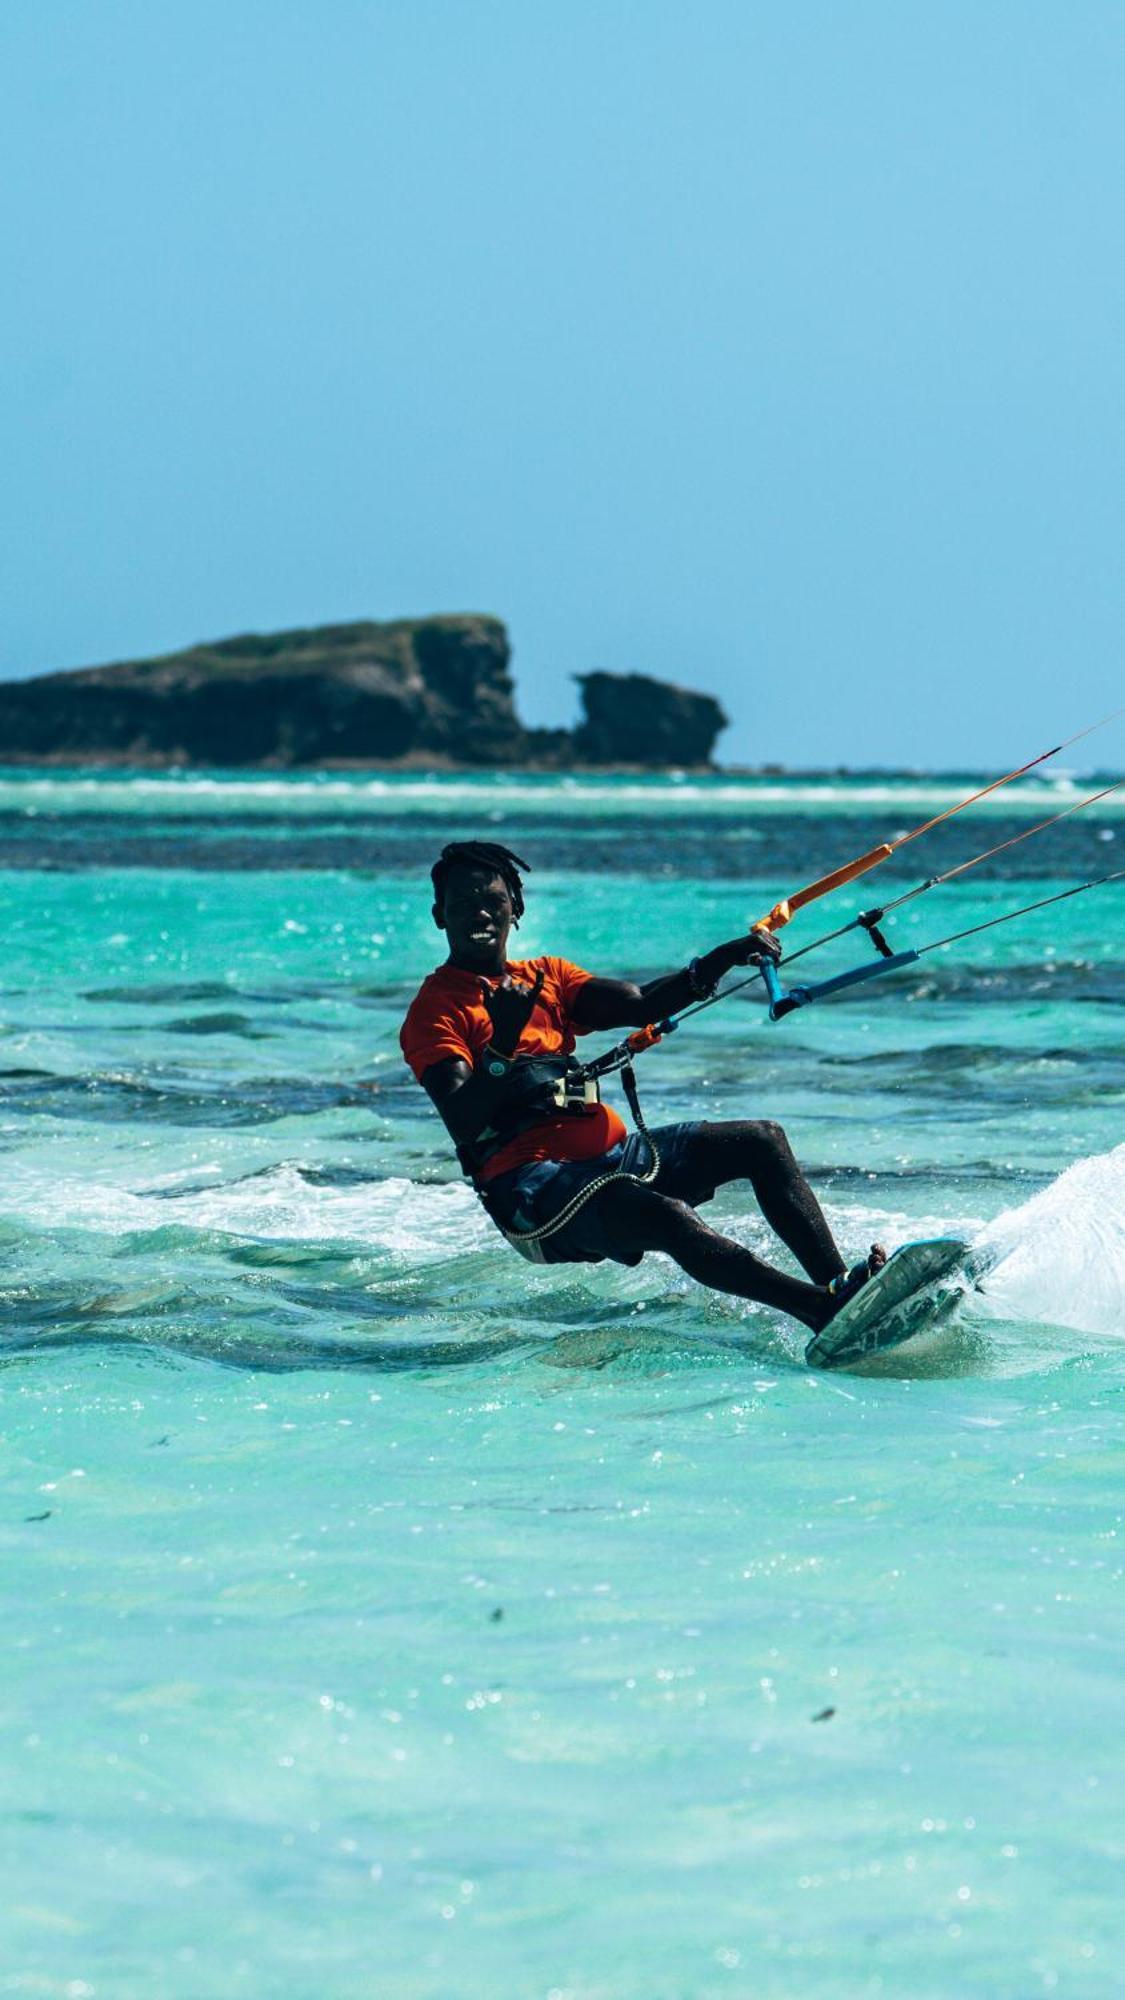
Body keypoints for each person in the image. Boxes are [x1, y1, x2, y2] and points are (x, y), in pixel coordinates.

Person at [400, 841, 884, 1335]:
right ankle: (818, 1311)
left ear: (515, 908)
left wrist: (718, 960)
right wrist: (501, 1043)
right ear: (440, 916)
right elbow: (462, 1119)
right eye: (461, 904)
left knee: (761, 1140)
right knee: (667, 1217)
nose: (479, 913)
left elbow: (640, 1003)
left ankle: (843, 1288)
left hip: (613, 1160)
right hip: (530, 1193)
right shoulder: (435, 1010)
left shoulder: (548, 978)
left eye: (493, 901)